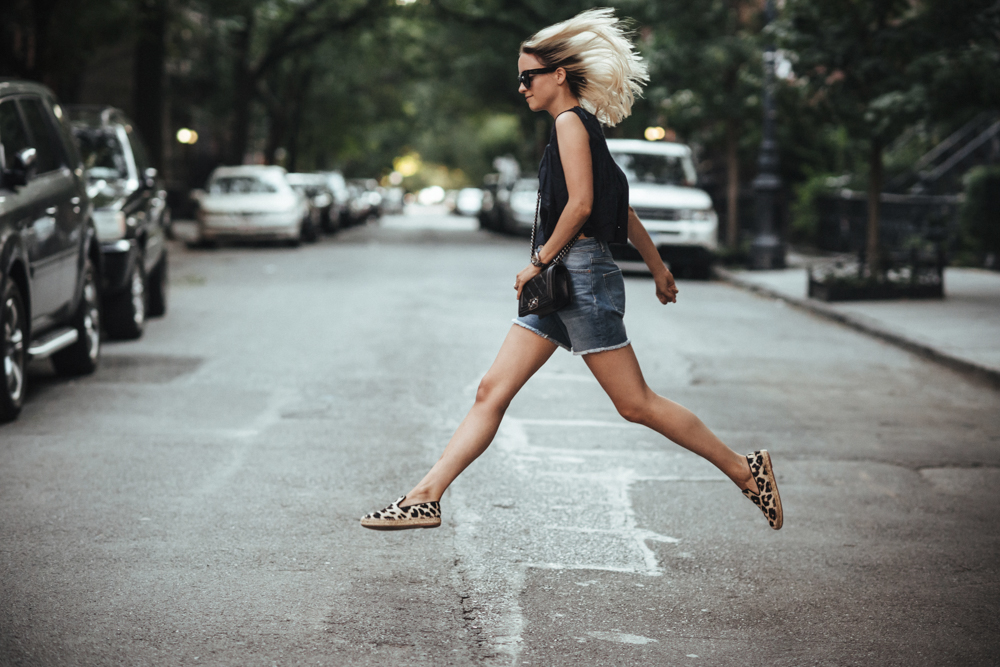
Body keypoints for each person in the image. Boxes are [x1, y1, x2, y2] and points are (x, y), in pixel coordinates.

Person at [362, 8, 782, 532]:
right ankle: (425, 496)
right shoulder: (580, 127)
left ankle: (746, 471)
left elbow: (583, 206)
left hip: (576, 277)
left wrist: (537, 261)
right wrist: (658, 268)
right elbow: (620, 209)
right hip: (566, 281)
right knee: (491, 390)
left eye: (527, 77)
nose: (521, 88)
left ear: (557, 75)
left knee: (636, 404)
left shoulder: (569, 123)